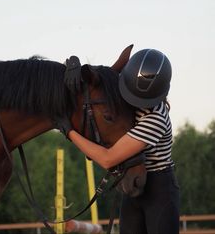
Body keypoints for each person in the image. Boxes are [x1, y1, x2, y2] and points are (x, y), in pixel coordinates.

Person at [57, 48, 180, 234]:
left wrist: (69, 131)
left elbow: (108, 158)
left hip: (158, 188)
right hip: (132, 179)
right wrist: (74, 66)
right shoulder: (130, 84)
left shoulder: (155, 119)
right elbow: (101, 78)